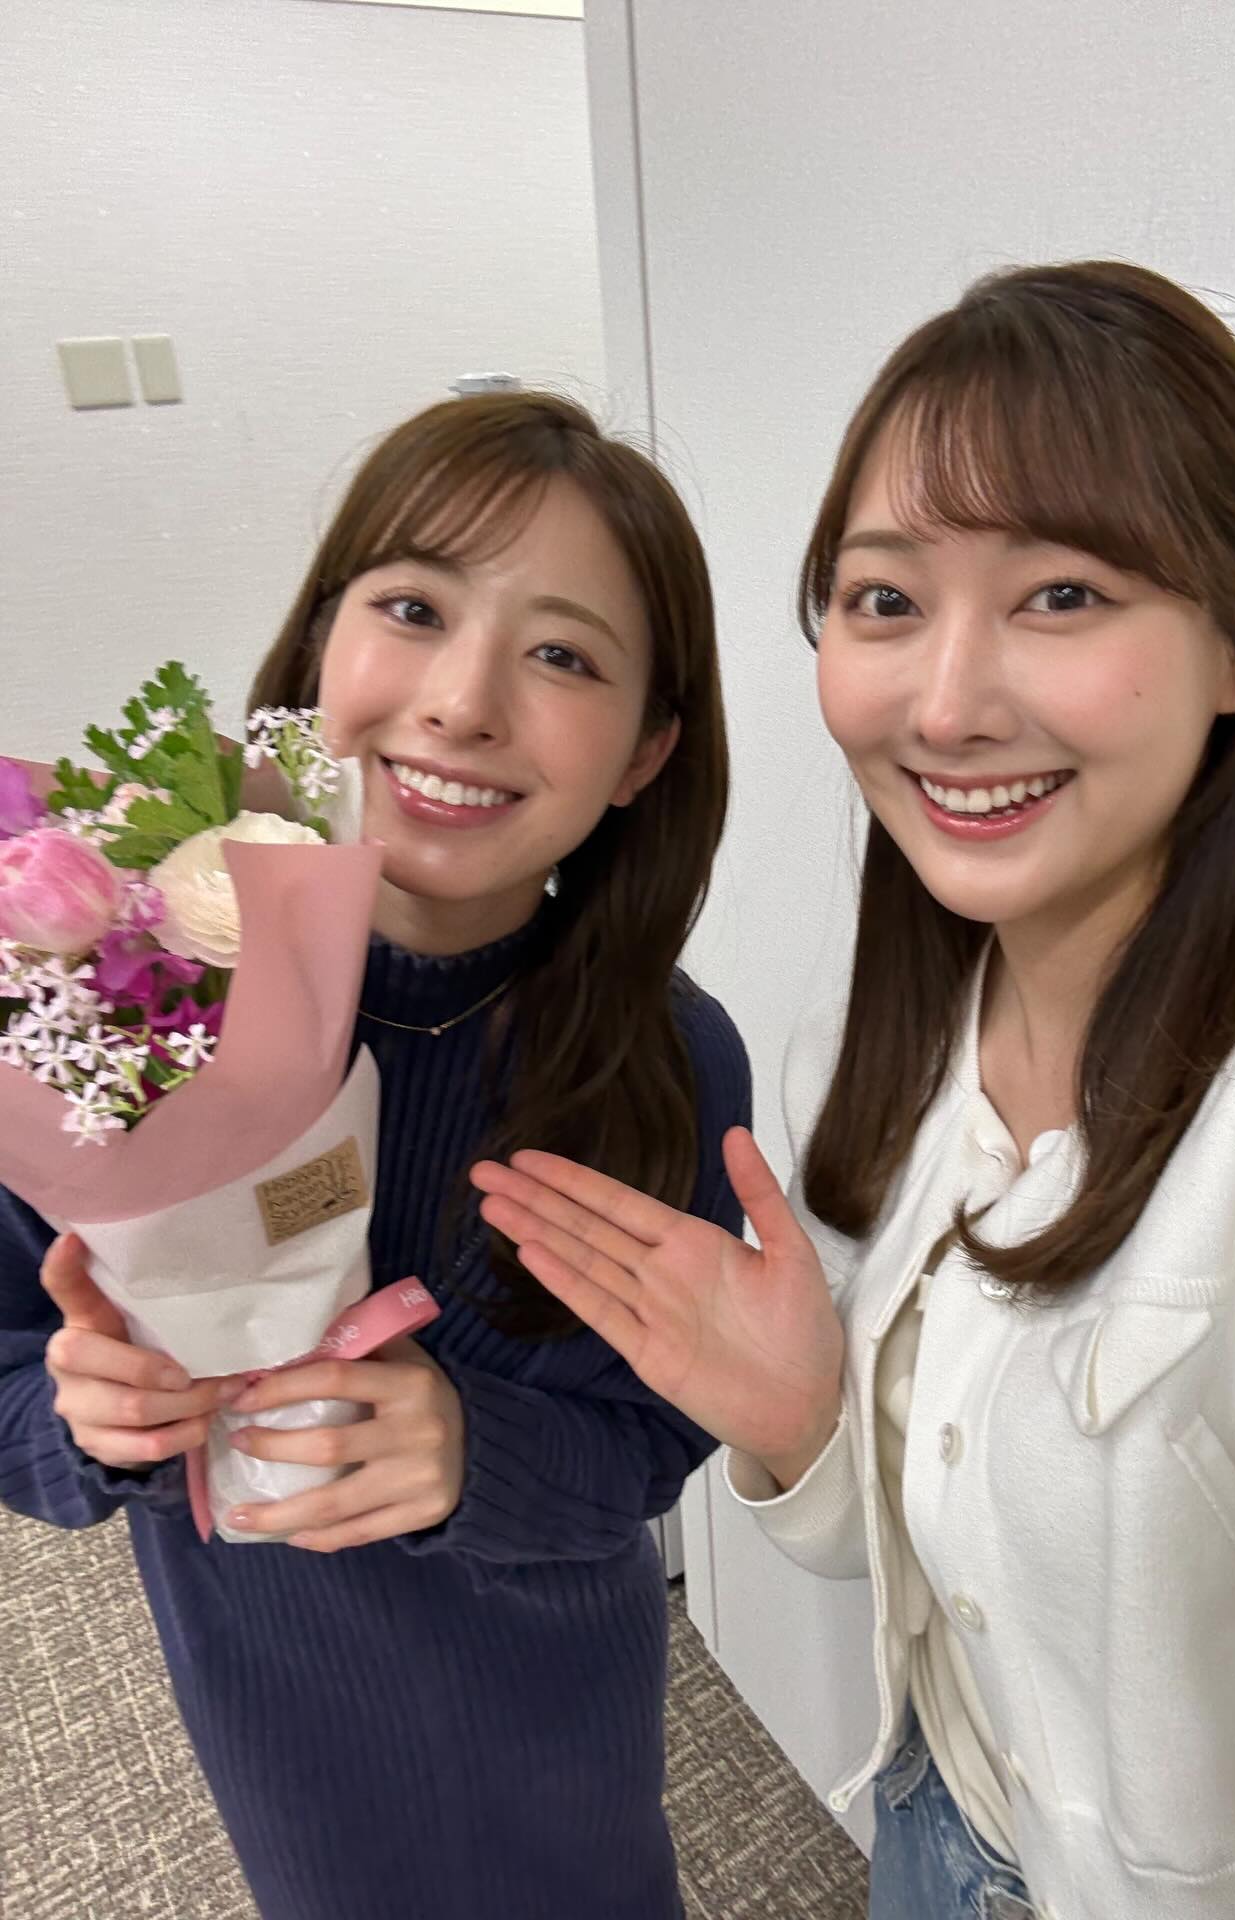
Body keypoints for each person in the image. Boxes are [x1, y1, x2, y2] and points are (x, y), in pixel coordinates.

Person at [473, 263, 1235, 1919]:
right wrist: (800, 1427)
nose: (943, 704)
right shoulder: (874, 1051)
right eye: (884, 600)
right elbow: (930, 1554)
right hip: (934, 1833)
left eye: (1063, 594)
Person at [0, 391, 751, 1920]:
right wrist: (89, 1424)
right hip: (277, 1706)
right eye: (413, 608)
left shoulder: (667, 1059)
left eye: (564, 656)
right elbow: (15, 1361)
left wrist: (480, 1451)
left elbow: (665, 1434)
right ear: (318, 648)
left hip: (561, 1698)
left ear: (645, 753)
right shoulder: (123, 1005)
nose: (462, 703)